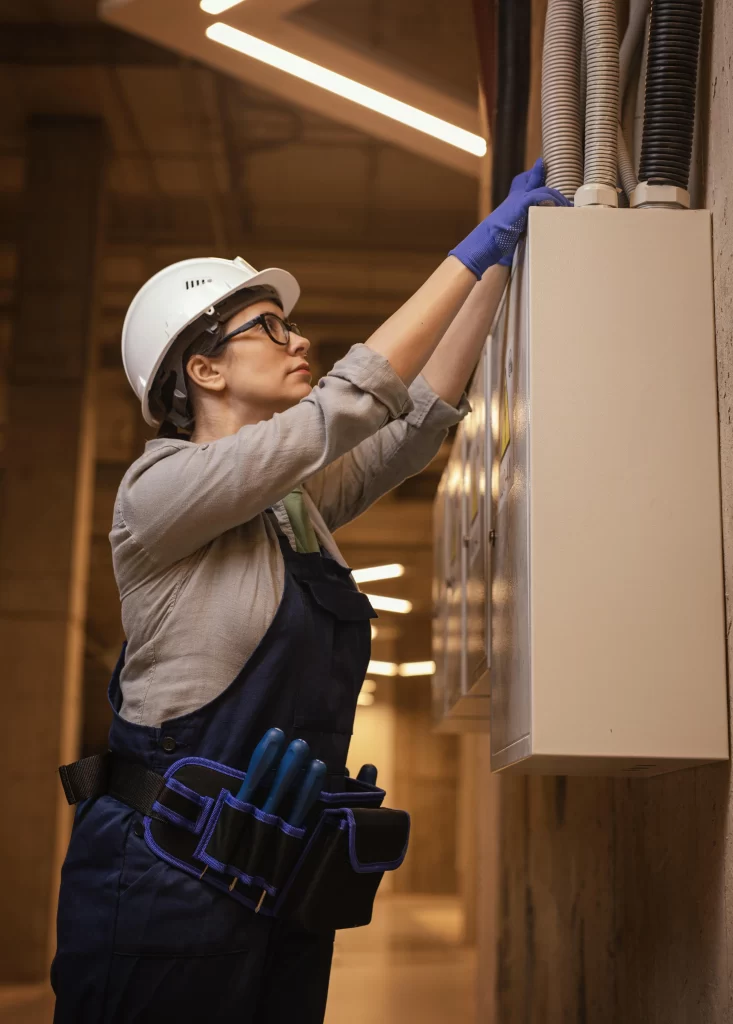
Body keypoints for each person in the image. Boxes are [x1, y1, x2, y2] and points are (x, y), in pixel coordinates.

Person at [51, 160, 566, 1023]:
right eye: (267, 328)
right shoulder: (157, 495)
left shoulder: (290, 509)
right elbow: (346, 408)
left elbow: (411, 425)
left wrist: (501, 261)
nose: (299, 342)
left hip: (279, 880)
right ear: (204, 372)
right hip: (161, 885)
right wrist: (468, 247)